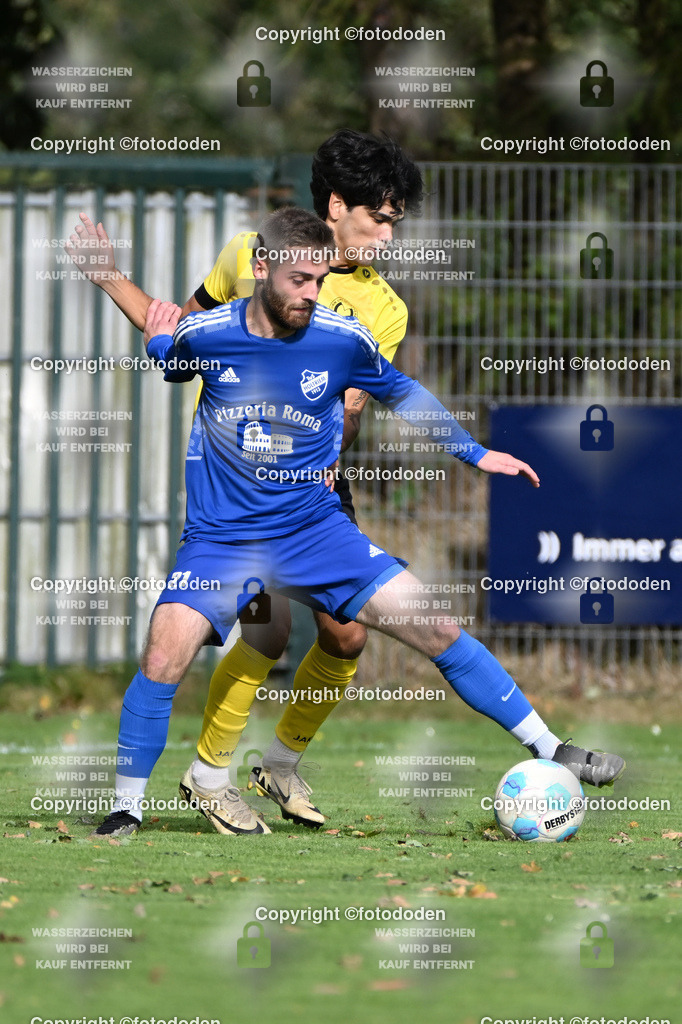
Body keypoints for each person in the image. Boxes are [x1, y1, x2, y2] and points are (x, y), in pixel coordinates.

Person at [89, 207, 625, 838]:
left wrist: (475, 453)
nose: (312, 294)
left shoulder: (342, 338)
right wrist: (142, 320)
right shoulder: (209, 332)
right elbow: (170, 353)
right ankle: (126, 808)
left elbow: (405, 394)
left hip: (316, 531)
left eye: (320, 280)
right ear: (261, 269)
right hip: (223, 540)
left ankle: (548, 746)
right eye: (299, 280)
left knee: (433, 626)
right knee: (164, 652)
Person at [67, 130, 426, 834]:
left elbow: (352, 407)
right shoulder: (249, 254)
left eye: (394, 222)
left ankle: (281, 763)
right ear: (335, 205)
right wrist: (109, 277)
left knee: (346, 636)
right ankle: (208, 774)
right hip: (237, 483)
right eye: (379, 217)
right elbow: (180, 327)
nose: (388, 234)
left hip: (313, 484)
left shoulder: (385, 307)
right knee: (266, 630)